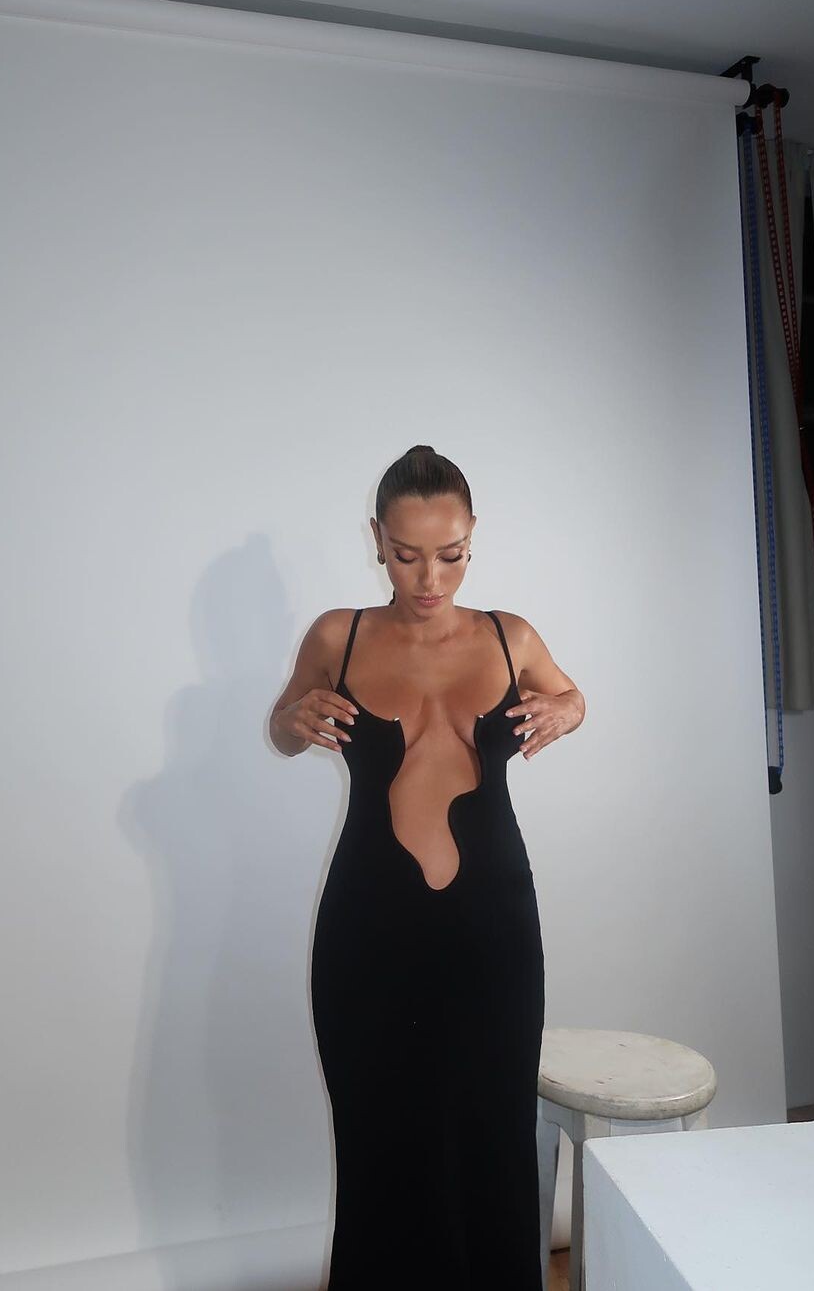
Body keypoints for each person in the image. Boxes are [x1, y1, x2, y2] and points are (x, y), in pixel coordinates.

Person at [269, 444, 585, 1288]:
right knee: (380, 1138)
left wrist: (568, 706)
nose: (429, 578)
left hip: (494, 932)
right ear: (377, 539)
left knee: (494, 1132)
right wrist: (293, 721)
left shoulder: (509, 636)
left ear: (473, 534)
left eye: (451, 554)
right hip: (369, 930)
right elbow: (283, 725)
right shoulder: (338, 636)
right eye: (407, 555)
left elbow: (572, 695)